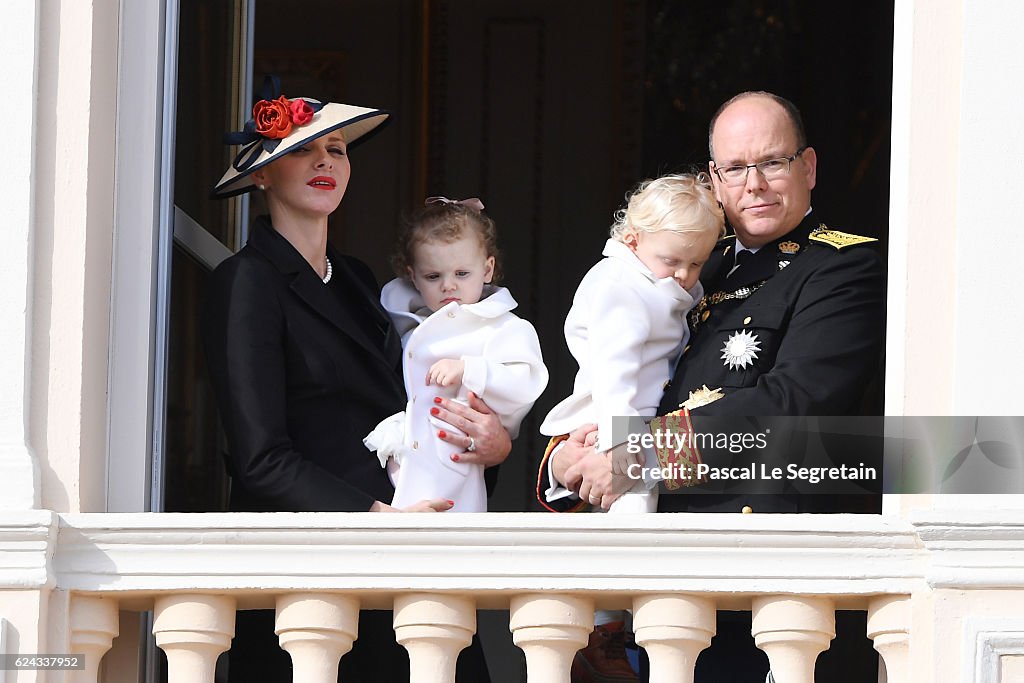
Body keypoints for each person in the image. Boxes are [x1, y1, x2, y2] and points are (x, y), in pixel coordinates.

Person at [537, 91, 884, 681]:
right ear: (714, 179)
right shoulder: (685, 259)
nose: (755, 184)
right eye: (736, 167)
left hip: (764, 585)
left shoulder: (843, 266)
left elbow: (793, 405)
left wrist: (640, 455)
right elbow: (612, 373)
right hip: (660, 591)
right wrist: (567, 459)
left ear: (809, 168)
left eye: (773, 162)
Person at [202, 77, 501, 682]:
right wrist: (377, 517)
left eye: (336, 149)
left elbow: (416, 406)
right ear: (262, 175)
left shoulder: (364, 282)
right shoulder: (247, 282)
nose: (324, 162)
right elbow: (261, 459)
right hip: (314, 575)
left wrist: (491, 443)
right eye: (303, 148)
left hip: (410, 554)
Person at [364, 196, 548, 512]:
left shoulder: (502, 327)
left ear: (488, 269)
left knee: (453, 529)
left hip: (458, 453)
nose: (448, 286)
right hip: (399, 457)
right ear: (413, 276)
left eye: (462, 274)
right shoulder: (397, 319)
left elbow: (527, 380)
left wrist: (469, 369)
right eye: (433, 277)